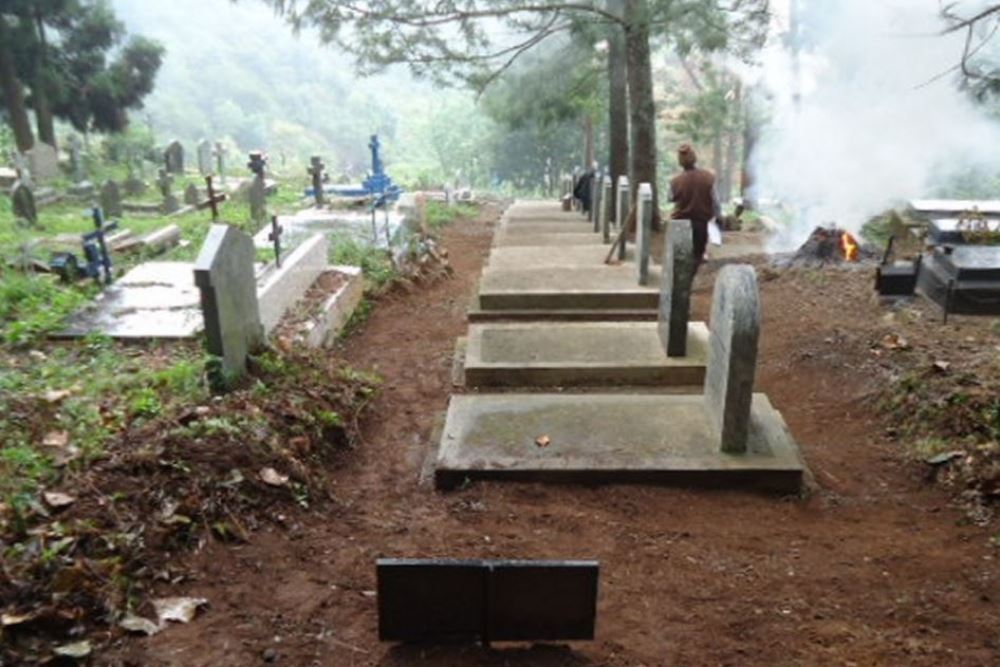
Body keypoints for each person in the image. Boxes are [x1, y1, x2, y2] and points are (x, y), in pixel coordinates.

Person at [669, 144, 721, 274]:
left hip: (680, 223)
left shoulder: (675, 181)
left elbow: (670, 198)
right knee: (697, 255)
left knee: (680, 257)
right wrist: (719, 217)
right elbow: (715, 201)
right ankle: (692, 279)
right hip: (700, 222)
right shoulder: (708, 177)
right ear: (695, 158)